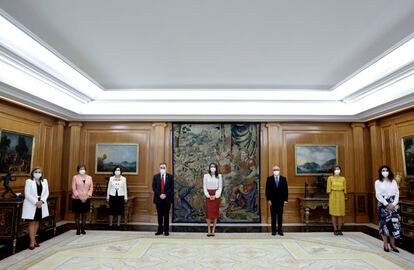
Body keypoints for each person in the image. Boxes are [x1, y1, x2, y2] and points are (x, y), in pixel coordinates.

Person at [21, 167, 49, 250]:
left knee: (37, 222)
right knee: (32, 223)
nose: (38, 173)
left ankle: (34, 240)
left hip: (41, 205)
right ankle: (32, 242)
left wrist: (42, 201)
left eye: (39, 172)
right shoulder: (29, 181)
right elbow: (27, 194)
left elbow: (46, 193)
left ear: (41, 173)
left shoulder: (45, 181)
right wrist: (36, 202)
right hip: (32, 205)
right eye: (36, 172)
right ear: (33, 173)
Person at [375, 165, 401, 252]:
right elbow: (378, 194)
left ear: (389, 171)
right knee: (384, 225)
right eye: (383, 170)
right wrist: (386, 204)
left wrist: (393, 203)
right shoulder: (378, 182)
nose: (385, 172)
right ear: (380, 172)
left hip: (394, 205)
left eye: (386, 170)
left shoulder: (393, 181)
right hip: (383, 205)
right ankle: (385, 244)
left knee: (393, 225)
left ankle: (393, 244)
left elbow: (397, 193)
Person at [152, 163, 174, 236]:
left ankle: (166, 231)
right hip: (158, 199)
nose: (162, 169)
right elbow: (154, 187)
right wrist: (160, 195)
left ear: (166, 168)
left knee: (166, 215)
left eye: (164, 167)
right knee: (159, 215)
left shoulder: (170, 177)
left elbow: (171, 188)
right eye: (161, 167)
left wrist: (165, 195)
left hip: (167, 199)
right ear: (159, 168)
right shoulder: (155, 177)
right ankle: (160, 230)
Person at [265, 165, 288, 236]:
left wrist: (285, 200)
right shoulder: (269, 179)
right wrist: (268, 200)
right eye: (274, 170)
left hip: (281, 201)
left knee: (280, 216)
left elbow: (286, 190)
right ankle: (274, 230)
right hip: (272, 201)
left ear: (279, 170)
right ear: (273, 171)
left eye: (277, 169)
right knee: (273, 216)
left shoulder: (283, 179)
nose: (276, 171)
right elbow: (267, 190)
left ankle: (280, 230)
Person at [72, 164, 93, 235]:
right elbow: (74, 188)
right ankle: (78, 229)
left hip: (87, 198)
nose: (82, 170)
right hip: (77, 199)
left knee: (84, 214)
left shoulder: (89, 177)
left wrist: (87, 196)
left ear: (85, 170)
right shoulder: (75, 177)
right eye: (80, 169)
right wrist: (80, 197)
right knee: (77, 214)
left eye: (83, 169)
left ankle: (83, 229)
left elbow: (91, 188)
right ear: (78, 170)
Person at [203, 162, 223, 237]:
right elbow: (204, 186)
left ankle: (213, 230)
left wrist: (216, 195)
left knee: (215, 213)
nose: (212, 168)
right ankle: (209, 229)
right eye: (211, 166)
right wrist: (208, 195)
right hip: (208, 195)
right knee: (208, 213)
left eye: (214, 166)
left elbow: (220, 187)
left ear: (216, 168)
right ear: (209, 168)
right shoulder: (206, 176)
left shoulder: (219, 176)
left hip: (216, 195)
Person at [327, 165, 347, 235]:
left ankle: (339, 229)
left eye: (338, 169)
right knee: (334, 213)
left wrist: (344, 195)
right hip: (333, 195)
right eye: (336, 169)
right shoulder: (330, 178)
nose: (337, 170)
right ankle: (335, 229)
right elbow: (328, 189)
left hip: (341, 195)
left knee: (340, 214)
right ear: (333, 170)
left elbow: (345, 189)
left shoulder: (343, 178)